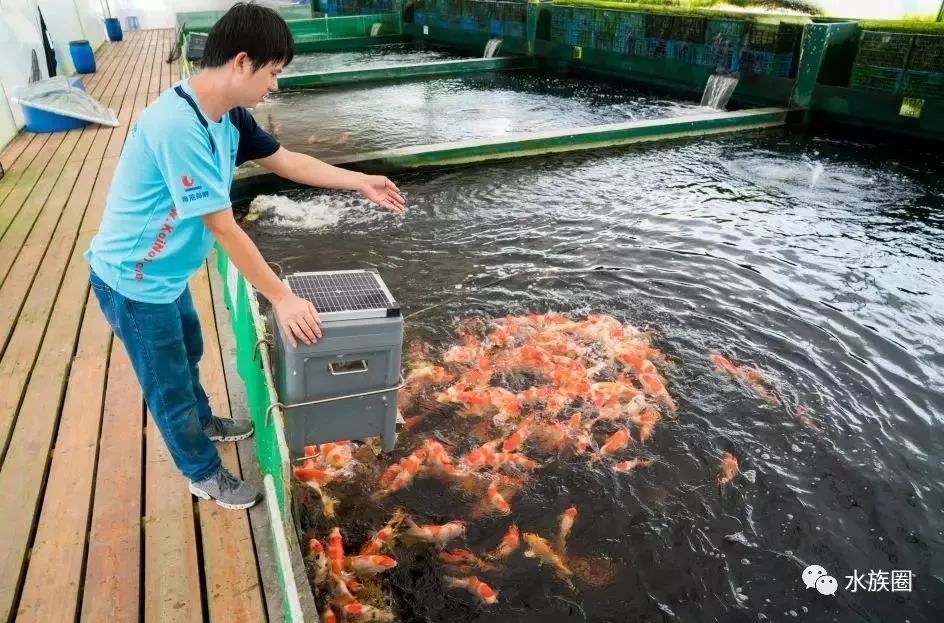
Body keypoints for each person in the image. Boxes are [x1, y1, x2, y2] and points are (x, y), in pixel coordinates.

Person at [84, 2, 405, 510]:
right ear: (240, 62)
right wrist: (282, 298)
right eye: (272, 73)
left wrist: (358, 180)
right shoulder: (177, 127)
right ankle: (201, 471)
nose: (274, 86)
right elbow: (224, 228)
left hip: (167, 274)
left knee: (188, 352)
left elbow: (286, 161)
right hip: (133, 281)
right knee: (166, 383)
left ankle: (205, 420)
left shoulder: (228, 115)